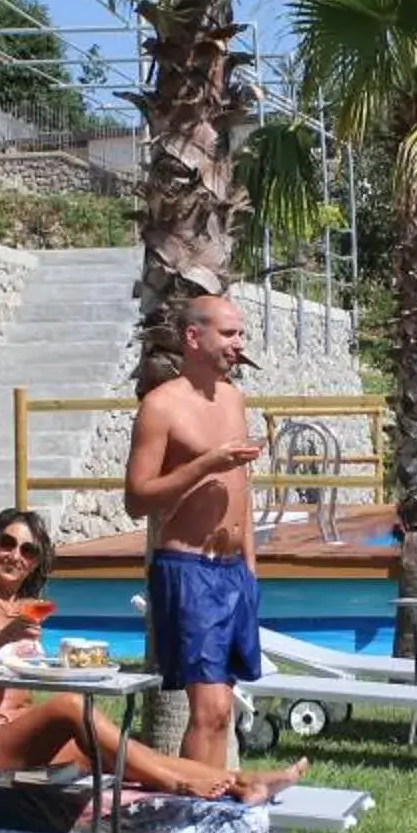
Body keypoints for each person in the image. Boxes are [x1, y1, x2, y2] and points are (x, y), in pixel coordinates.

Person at [0, 505, 306, 802]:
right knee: (71, 707)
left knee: (124, 753)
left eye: (28, 550)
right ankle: (178, 784)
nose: (15, 555)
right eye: (7, 543)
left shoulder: (26, 607)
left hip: (23, 739)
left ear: (35, 562)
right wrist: (2, 637)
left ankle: (242, 782)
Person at [123, 292, 266, 772]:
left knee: (223, 713)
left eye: (240, 333)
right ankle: (194, 808)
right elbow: (137, 499)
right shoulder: (161, 406)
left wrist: (250, 563)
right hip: (188, 568)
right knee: (209, 710)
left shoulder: (233, 398)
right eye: (228, 333)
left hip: (234, 571)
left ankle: (213, 806)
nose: (238, 343)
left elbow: (240, 485)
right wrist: (207, 463)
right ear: (193, 336)